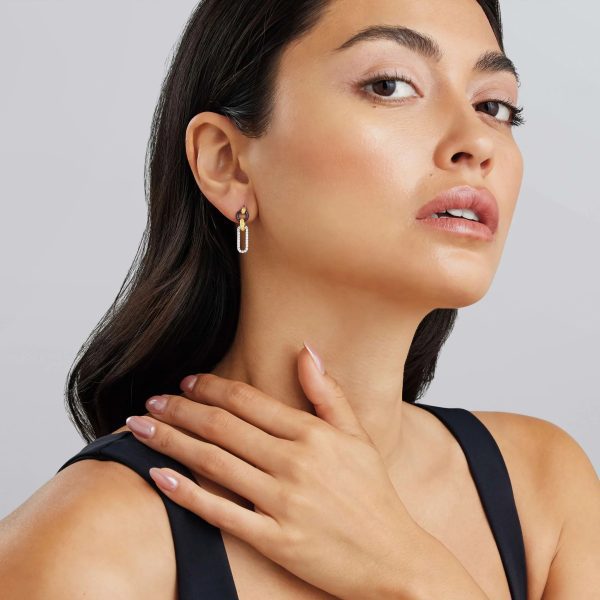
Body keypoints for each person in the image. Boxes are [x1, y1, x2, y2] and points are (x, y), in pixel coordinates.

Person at [1, 0, 599, 598]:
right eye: (390, 85)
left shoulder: (544, 489)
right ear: (227, 162)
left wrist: (411, 572)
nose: (476, 141)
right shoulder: (87, 547)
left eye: (493, 106)